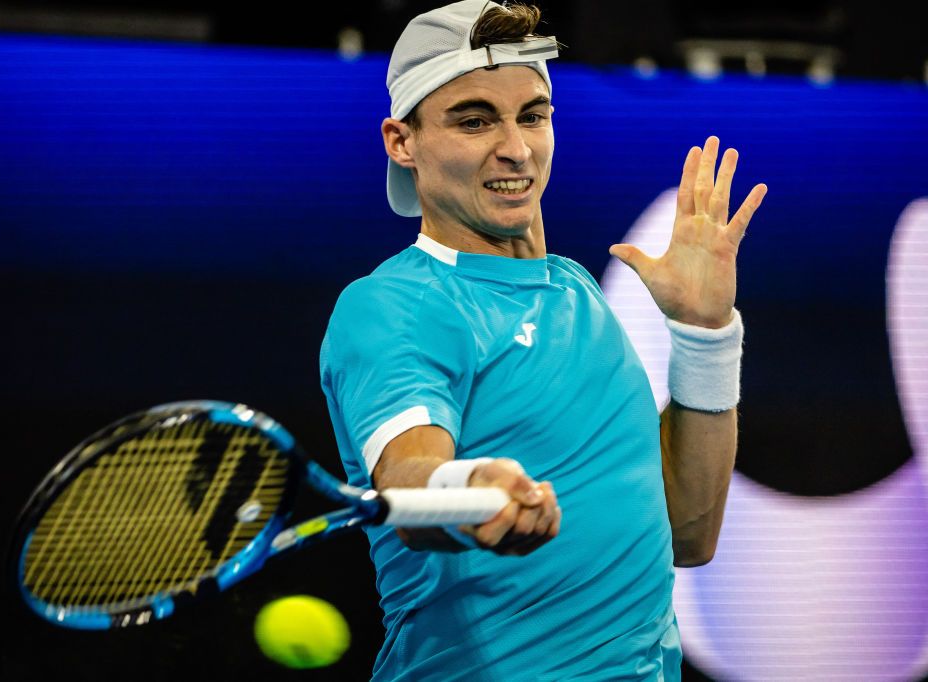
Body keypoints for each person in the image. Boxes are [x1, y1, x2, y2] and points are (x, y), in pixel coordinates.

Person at [319, 1, 768, 678]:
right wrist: (470, 486)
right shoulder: (394, 305)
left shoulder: (576, 289)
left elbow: (688, 532)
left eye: (532, 115)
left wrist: (705, 335)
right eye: (474, 120)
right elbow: (410, 484)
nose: (516, 148)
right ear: (401, 141)